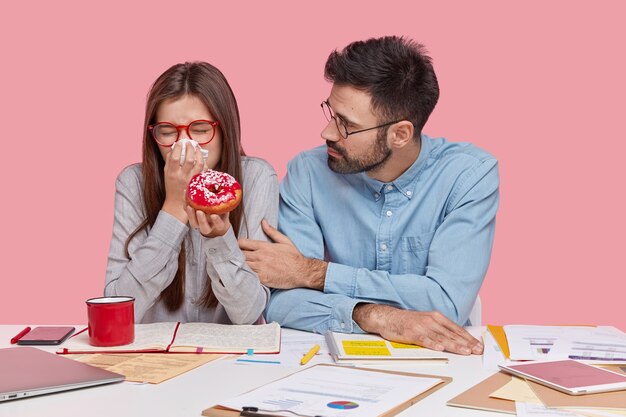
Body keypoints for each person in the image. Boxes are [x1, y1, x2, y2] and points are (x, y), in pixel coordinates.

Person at [239, 36, 499, 354]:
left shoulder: (468, 176)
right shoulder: (307, 172)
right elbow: (283, 302)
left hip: (443, 355)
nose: (328, 133)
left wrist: (313, 272)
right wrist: (373, 316)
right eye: (330, 113)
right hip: (331, 362)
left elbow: (446, 301)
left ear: (400, 134)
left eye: (347, 125)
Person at [105, 62, 278, 324]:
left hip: (230, 359)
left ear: (224, 131)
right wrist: (173, 209)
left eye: (199, 130)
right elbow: (117, 310)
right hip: (156, 358)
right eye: (167, 131)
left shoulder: (257, 178)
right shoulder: (132, 182)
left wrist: (220, 237)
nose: (184, 145)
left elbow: (249, 313)